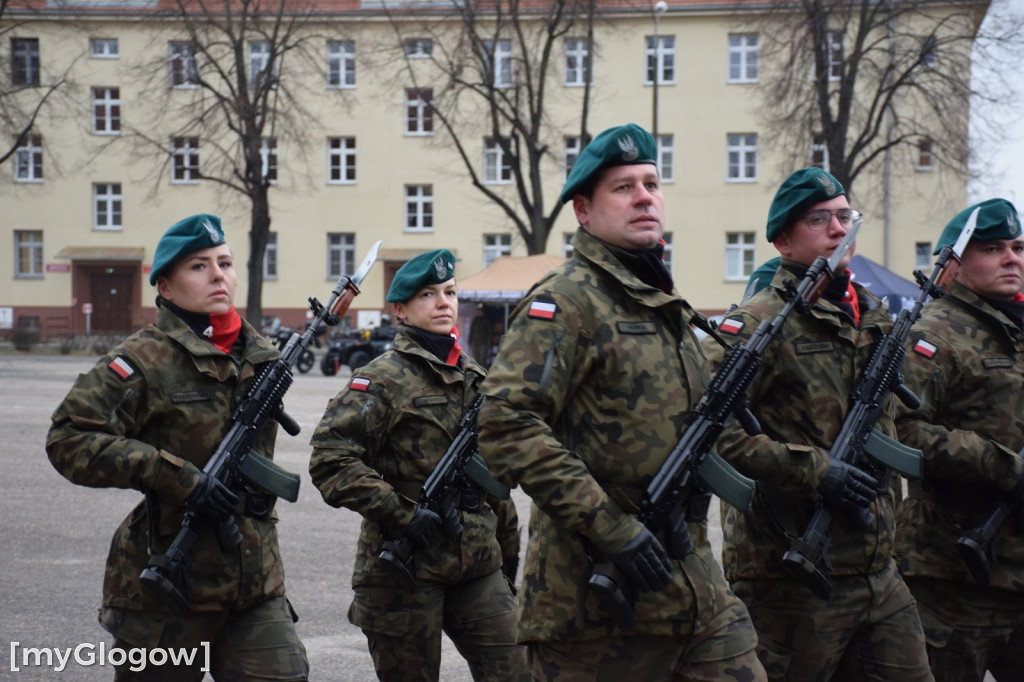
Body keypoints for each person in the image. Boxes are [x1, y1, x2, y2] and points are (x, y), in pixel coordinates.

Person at [476, 123, 766, 681]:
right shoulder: (566, 300)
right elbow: (506, 422)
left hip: (691, 585)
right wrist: (613, 527)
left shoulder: (664, 302)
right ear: (584, 211)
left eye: (652, 183)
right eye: (623, 187)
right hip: (594, 601)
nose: (644, 197)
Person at [45, 214, 309, 681]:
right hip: (168, 586)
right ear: (165, 287)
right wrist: (178, 478)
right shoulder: (142, 360)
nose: (218, 275)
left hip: (253, 580)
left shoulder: (260, 354)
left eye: (224, 263)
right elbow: (69, 437)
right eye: (198, 266)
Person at [702, 167, 932, 681]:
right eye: (819, 219)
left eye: (845, 216)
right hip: (792, 574)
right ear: (783, 240)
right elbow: (707, 431)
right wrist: (811, 469)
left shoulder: (873, 317)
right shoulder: (758, 324)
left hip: (877, 569)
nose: (838, 228)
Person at [308, 249, 528, 682]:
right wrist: (402, 514)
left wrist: (508, 559)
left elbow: (492, 482)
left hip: (477, 564)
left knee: (521, 672)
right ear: (401, 310)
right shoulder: (381, 379)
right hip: (405, 569)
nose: (444, 302)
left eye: (449, 292)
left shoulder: (477, 378)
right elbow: (330, 460)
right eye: (429, 294)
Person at [894, 198, 1024, 682]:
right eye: (993, 248)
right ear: (956, 261)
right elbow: (901, 432)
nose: (1012, 258)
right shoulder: (932, 335)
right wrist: (999, 464)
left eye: (1018, 247)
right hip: (954, 577)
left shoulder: (1018, 329)